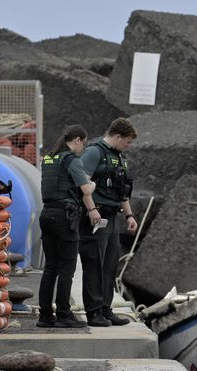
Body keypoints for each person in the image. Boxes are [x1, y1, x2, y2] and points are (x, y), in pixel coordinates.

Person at [77, 118, 138, 327]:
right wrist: (91, 209)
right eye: (127, 141)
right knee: (95, 264)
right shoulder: (94, 152)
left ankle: (105, 309)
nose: (128, 146)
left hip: (112, 217)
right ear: (118, 136)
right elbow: (82, 184)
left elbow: (122, 191)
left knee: (110, 265)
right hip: (96, 216)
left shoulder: (120, 157)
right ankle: (93, 312)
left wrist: (129, 215)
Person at [37, 125, 98, 328]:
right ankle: (64, 314)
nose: (83, 148)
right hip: (64, 217)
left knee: (50, 267)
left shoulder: (48, 159)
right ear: (77, 140)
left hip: (47, 214)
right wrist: (93, 183)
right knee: (67, 267)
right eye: (83, 144)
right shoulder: (71, 160)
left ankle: (45, 315)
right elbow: (86, 189)